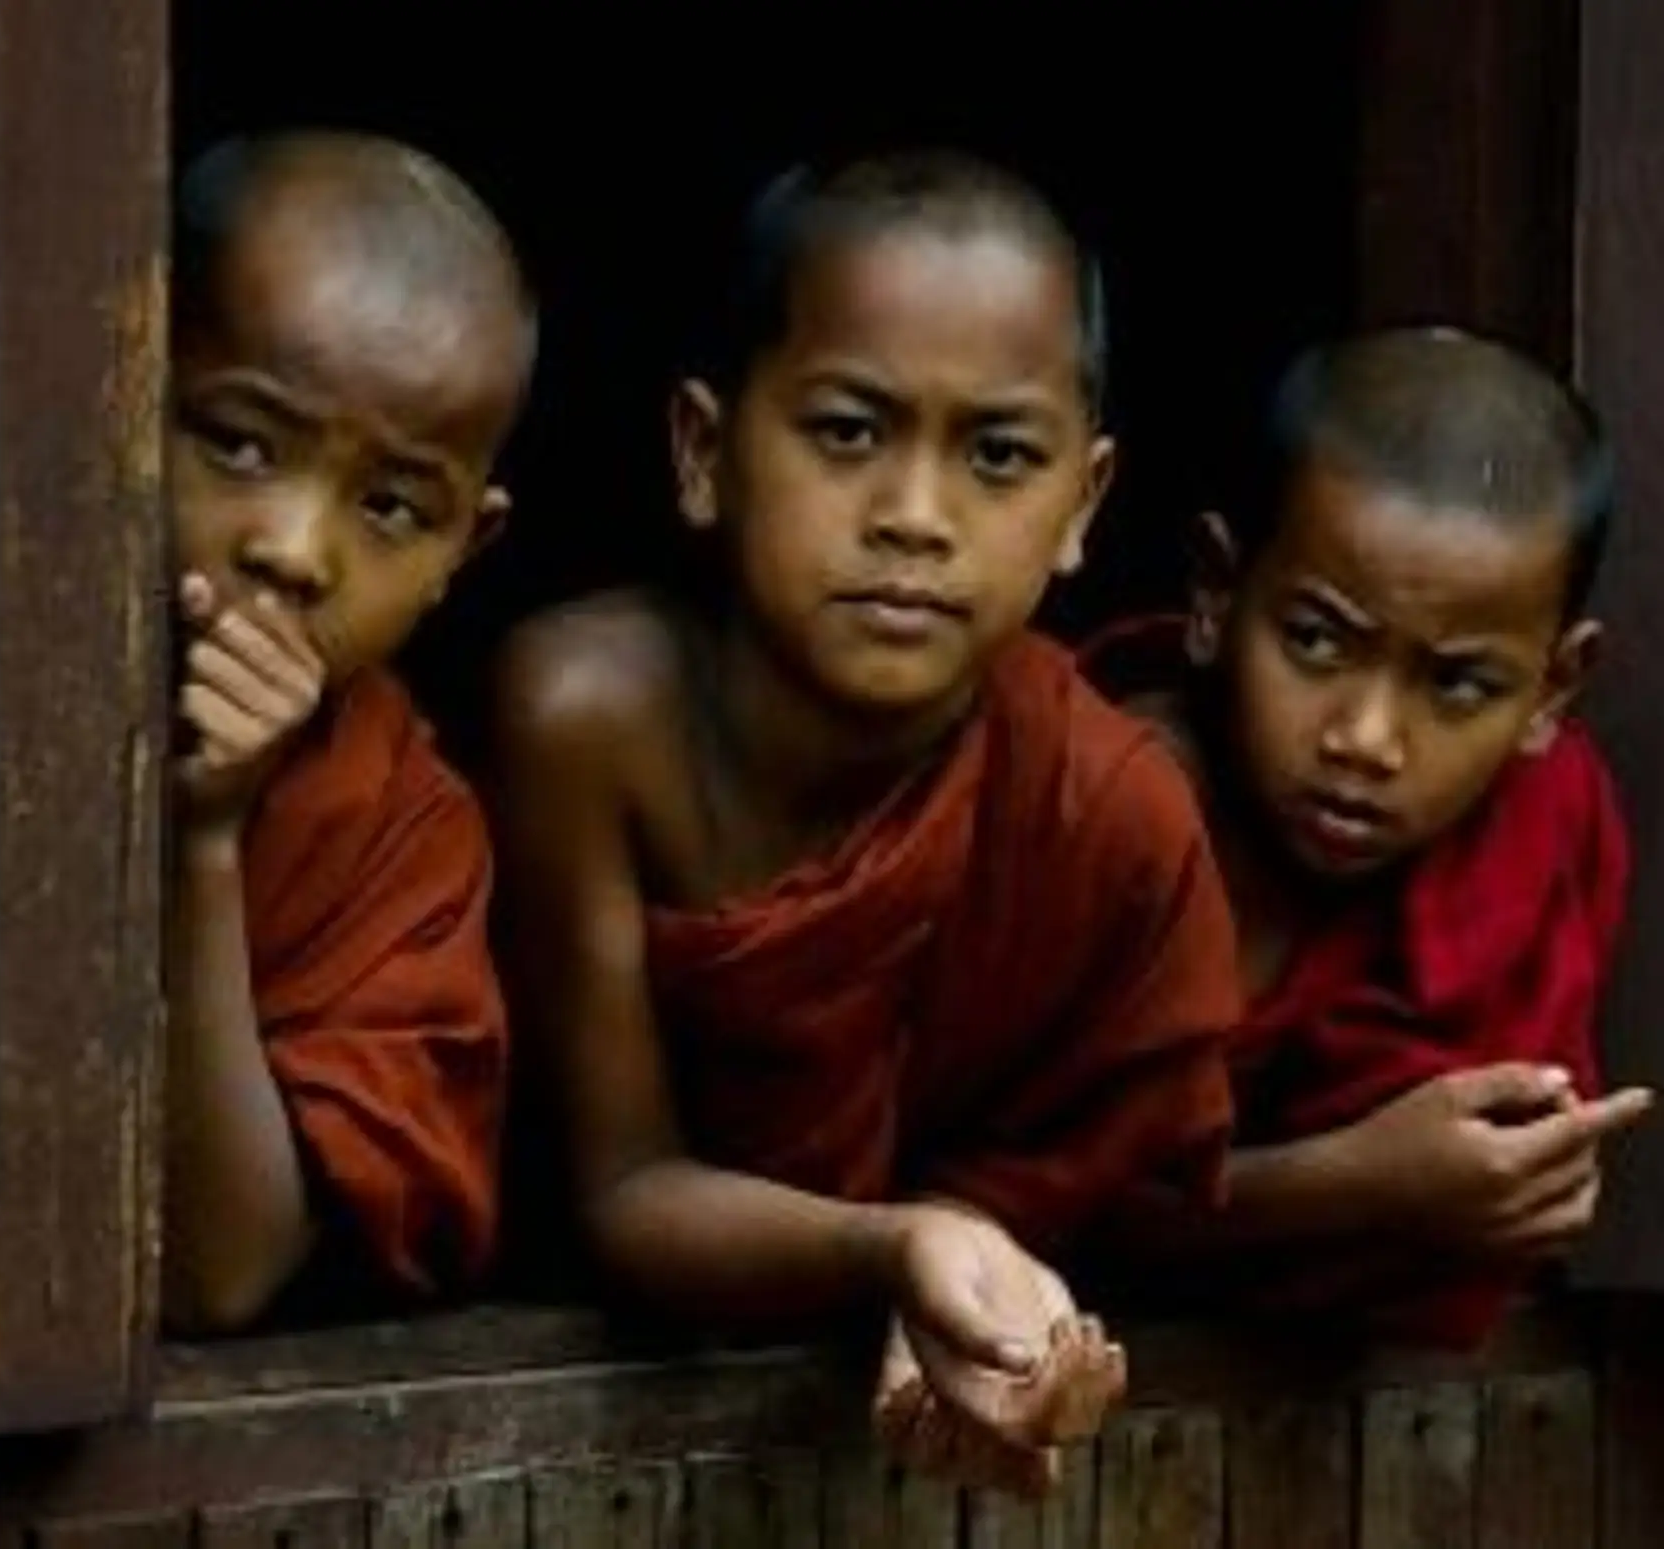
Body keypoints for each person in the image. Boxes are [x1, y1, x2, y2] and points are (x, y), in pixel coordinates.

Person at [486, 150, 1241, 1491]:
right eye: (847, 430)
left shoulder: (1113, 812)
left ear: (1084, 505)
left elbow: (1139, 1194)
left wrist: (972, 1282)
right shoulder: (589, 720)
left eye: (999, 455)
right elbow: (620, 1193)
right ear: (705, 451)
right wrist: (895, 1248)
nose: (914, 517)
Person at [1084, 327, 1655, 1349]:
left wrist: (1519, 1184)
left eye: (1459, 684)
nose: (1366, 739)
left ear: (1552, 689)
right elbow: (1008, 1196)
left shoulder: (1550, 818)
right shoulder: (1107, 805)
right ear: (1217, 590)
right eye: (1314, 640)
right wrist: (1361, 1182)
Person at [164, 130, 536, 1333]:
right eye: (236, 442)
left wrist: (204, 847)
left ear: (461, 554)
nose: (294, 547)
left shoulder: (408, 835)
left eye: (389, 507)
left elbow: (214, 1272)